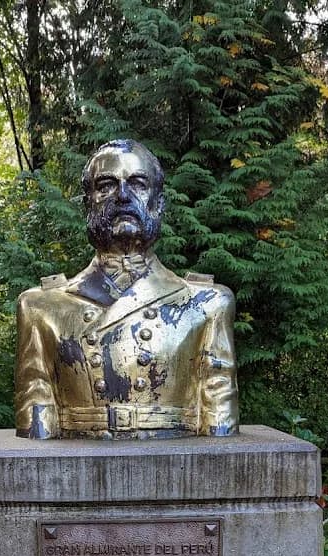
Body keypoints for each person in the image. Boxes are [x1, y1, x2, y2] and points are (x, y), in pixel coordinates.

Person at [15, 139, 239, 439]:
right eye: (106, 185)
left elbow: (220, 438)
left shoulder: (208, 303)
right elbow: (35, 438)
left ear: (158, 202)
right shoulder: (41, 307)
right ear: (88, 203)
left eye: (137, 184)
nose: (122, 196)